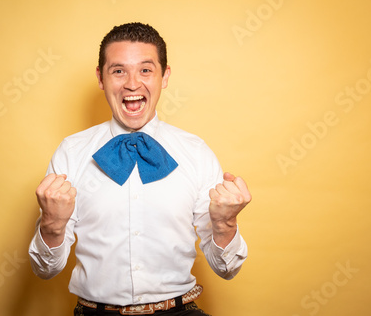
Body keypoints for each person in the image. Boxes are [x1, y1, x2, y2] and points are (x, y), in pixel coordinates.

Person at [28, 22, 252, 316]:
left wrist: (225, 225)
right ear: (101, 78)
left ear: (165, 76)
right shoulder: (71, 152)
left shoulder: (195, 152)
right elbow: (45, 269)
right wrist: (52, 225)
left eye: (145, 70)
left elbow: (227, 269)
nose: (132, 84)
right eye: (118, 70)